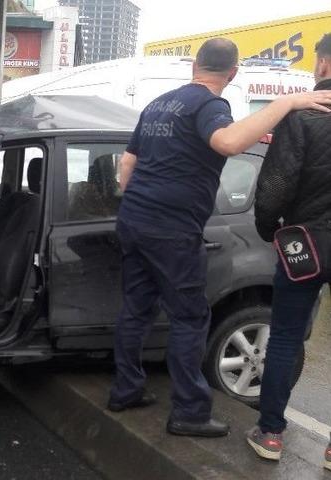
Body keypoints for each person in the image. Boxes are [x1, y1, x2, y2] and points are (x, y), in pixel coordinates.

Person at [109, 38, 331, 438]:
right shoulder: (212, 105)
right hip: (172, 229)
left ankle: (125, 390)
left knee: (136, 309)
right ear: (232, 73)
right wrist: (287, 103)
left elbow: (128, 164)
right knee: (190, 317)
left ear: (194, 65)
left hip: (134, 219)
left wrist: (141, 202)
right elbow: (228, 143)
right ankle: (189, 413)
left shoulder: (159, 103)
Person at [247, 34, 331, 467]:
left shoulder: (303, 115)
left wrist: (268, 229)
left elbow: (275, 186)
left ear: (321, 64)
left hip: (306, 244)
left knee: (284, 336)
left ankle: (271, 433)